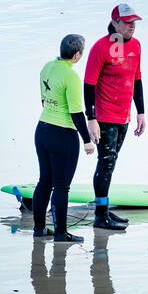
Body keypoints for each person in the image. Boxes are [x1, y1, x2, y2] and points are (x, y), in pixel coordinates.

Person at [84, 3, 146, 231]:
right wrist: (91, 119)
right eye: (128, 22)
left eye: (134, 22)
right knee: (106, 162)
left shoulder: (137, 46)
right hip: (104, 116)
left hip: (124, 117)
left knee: (111, 162)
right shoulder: (100, 48)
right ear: (115, 22)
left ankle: (103, 208)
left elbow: (137, 79)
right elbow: (88, 85)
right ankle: (100, 215)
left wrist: (140, 112)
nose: (132, 27)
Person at [34, 34, 95, 243]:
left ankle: (39, 229)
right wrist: (87, 140)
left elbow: (44, 100)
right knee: (61, 186)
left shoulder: (47, 67)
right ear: (77, 55)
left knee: (44, 182)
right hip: (62, 135)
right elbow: (76, 113)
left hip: (42, 130)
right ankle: (61, 233)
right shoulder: (71, 77)